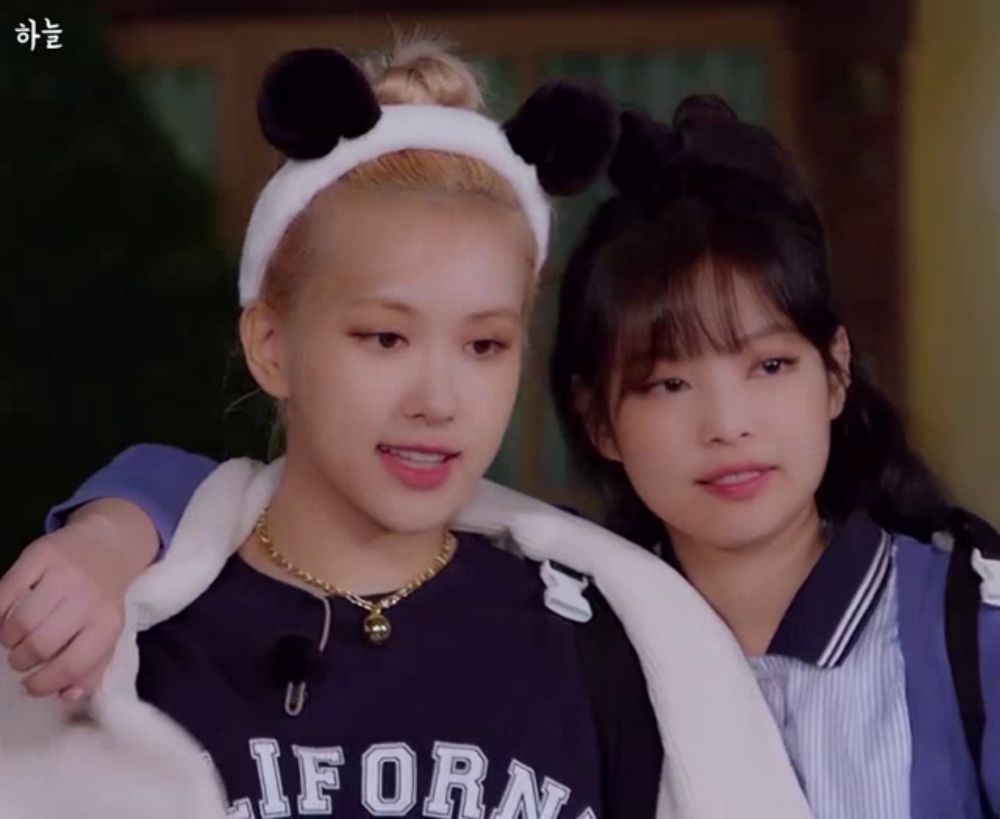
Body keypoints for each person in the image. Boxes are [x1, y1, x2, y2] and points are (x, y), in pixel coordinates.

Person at [0, 44, 810, 819]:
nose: (439, 399)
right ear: (271, 346)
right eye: (385, 338)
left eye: (484, 345)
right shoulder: (138, 641)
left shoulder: (601, 646)